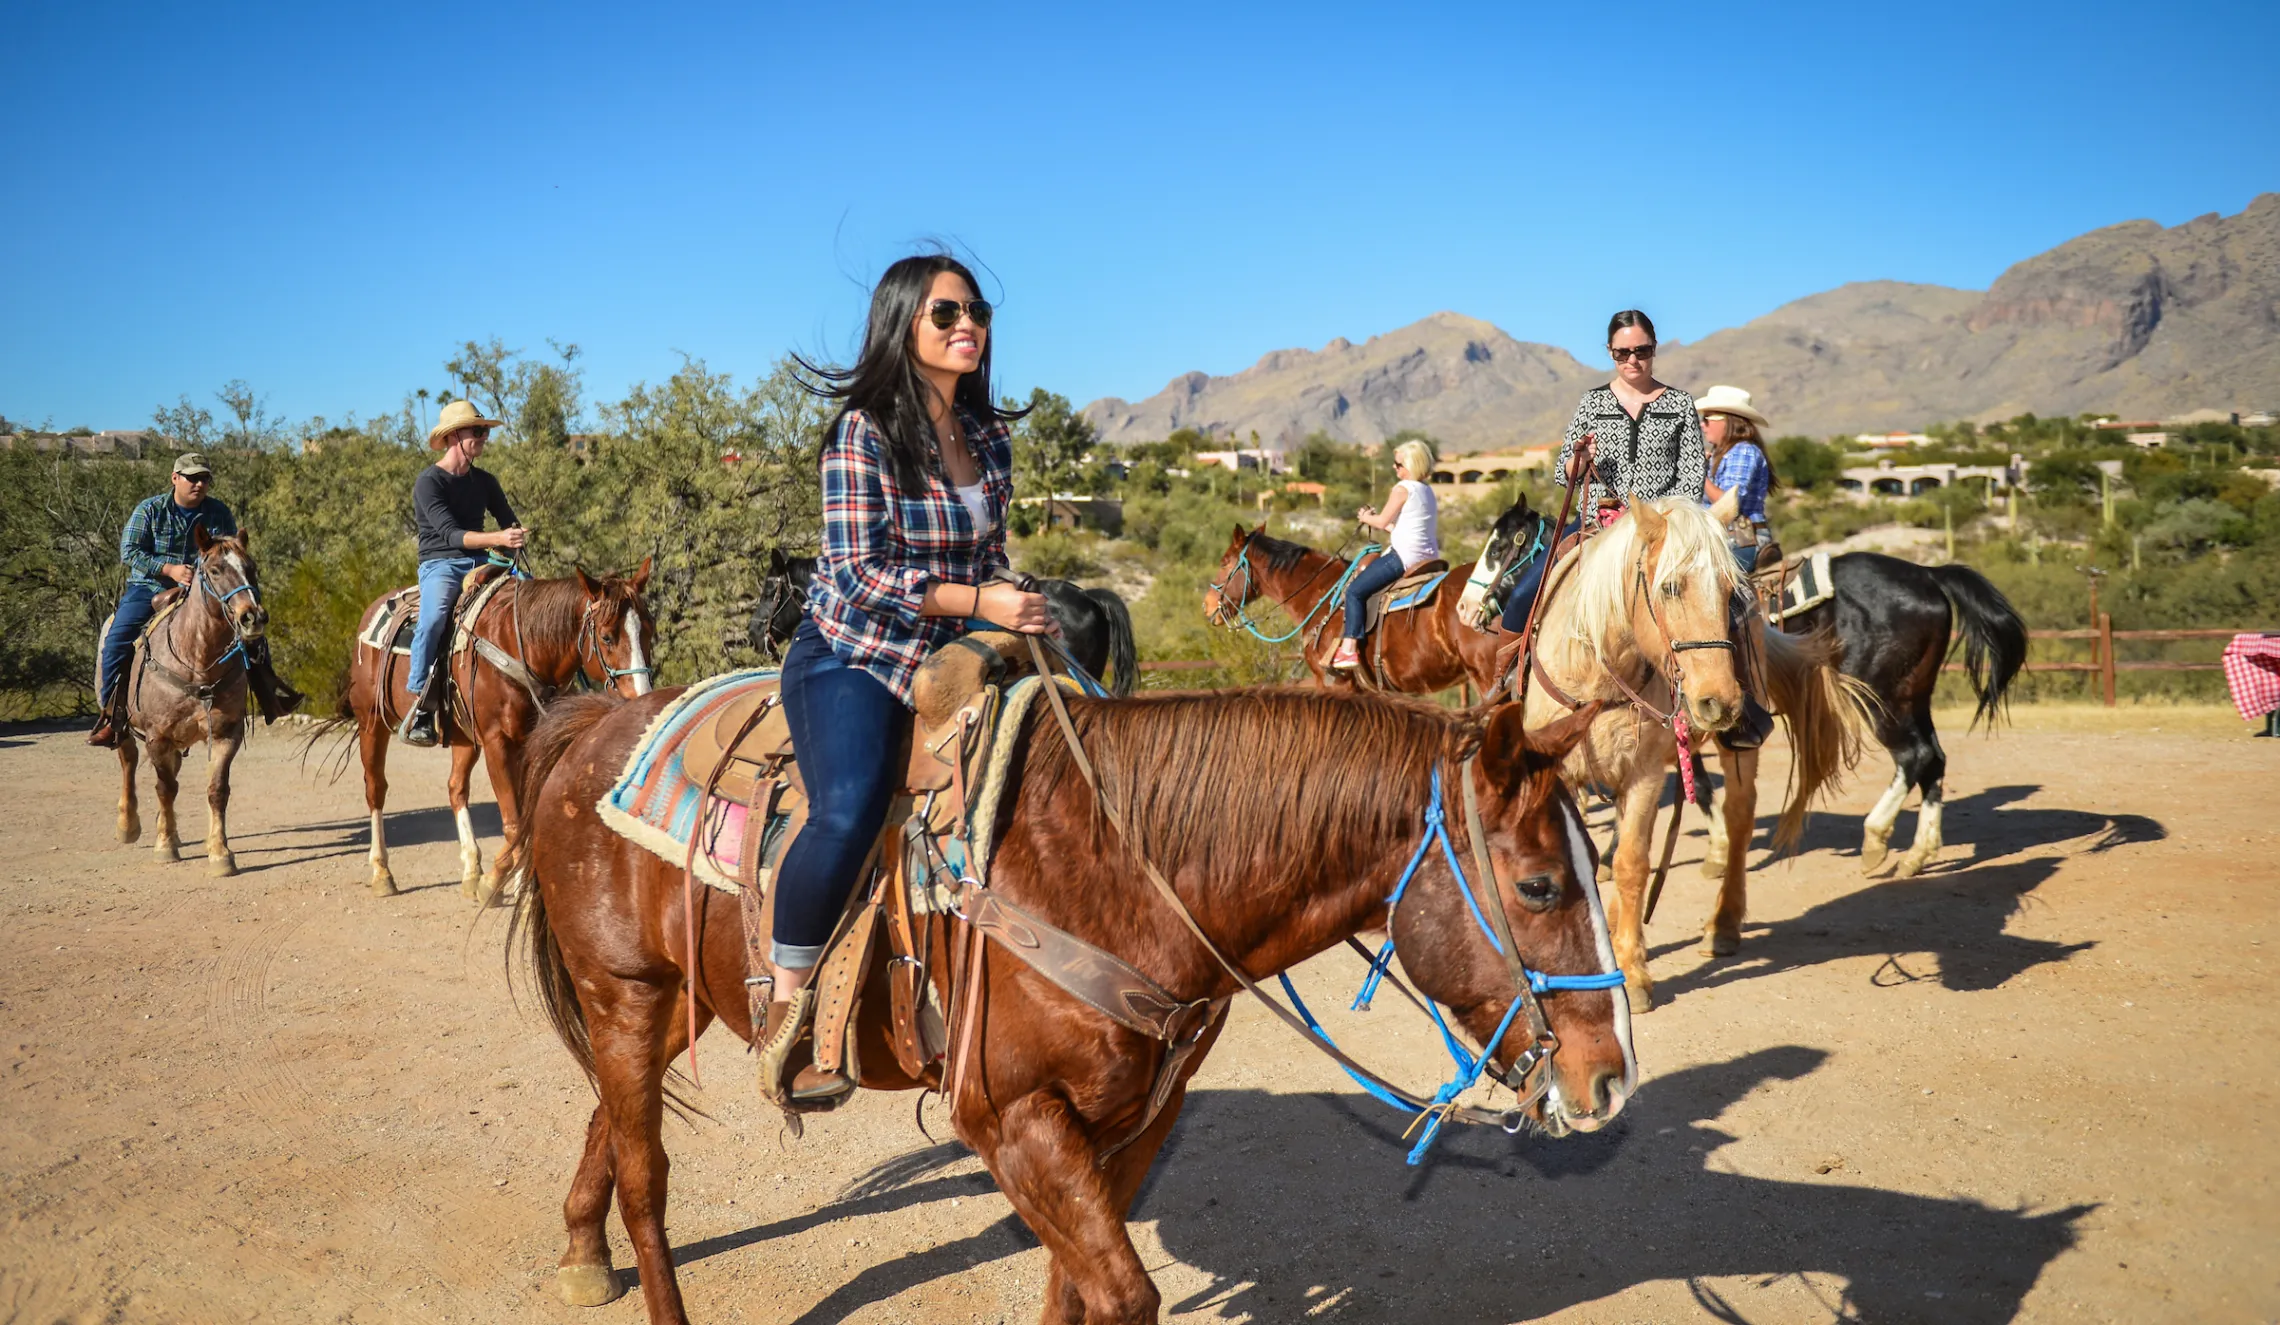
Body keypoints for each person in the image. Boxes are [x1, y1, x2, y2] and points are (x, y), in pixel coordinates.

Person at [761, 254, 1052, 1103]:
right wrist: (980, 599)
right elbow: (856, 573)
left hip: (952, 645)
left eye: (978, 310)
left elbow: (986, 556)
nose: (969, 325)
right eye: (946, 313)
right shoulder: (864, 433)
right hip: (856, 652)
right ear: (903, 326)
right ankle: (792, 1006)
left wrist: (1019, 602)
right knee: (849, 807)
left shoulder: (990, 437)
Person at [1497, 310, 1770, 748]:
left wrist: (1657, 517)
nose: (1632, 360)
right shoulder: (1593, 404)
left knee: (1725, 603)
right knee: (1527, 589)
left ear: (1653, 350)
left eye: (1641, 351)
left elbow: (1689, 474)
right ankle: (1508, 677)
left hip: (1662, 531)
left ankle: (1735, 701)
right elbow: (1561, 470)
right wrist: (1577, 460)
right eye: (1623, 352)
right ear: (1610, 352)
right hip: (1596, 526)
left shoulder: (1678, 403)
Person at [88, 453, 302, 748]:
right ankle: (113, 717)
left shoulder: (218, 512)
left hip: (206, 589)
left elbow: (229, 553)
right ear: (175, 477)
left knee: (253, 635)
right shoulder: (150, 510)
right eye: (192, 478)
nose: (199, 484)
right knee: (117, 639)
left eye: (204, 479)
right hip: (150, 587)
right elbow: (130, 551)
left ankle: (269, 699)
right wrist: (170, 569)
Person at [399, 399, 526, 747]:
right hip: (441, 563)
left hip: (483, 561)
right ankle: (421, 705)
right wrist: (499, 538)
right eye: (478, 430)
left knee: (531, 604)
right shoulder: (428, 482)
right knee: (434, 618)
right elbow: (452, 535)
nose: (484, 437)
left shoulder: (485, 481)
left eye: (485, 431)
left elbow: (507, 519)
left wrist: (515, 535)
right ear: (455, 435)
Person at [1333, 440, 1440, 670]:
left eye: (1398, 464)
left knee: (1354, 591)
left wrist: (1365, 517)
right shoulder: (1427, 491)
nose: (1395, 468)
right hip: (1430, 558)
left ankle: (1349, 648)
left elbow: (1381, 522)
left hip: (1404, 557)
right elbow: (1403, 527)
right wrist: (1383, 523)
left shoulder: (1402, 489)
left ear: (1410, 465)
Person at [1697, 384, 1777, 573]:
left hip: (1741, 538)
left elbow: (1728, 504)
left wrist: (1699, 472)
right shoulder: (1721, 454)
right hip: (1725, 536)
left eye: (1707, 419)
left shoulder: (1743, 451)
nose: (1702, 424)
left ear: (1727, 421)